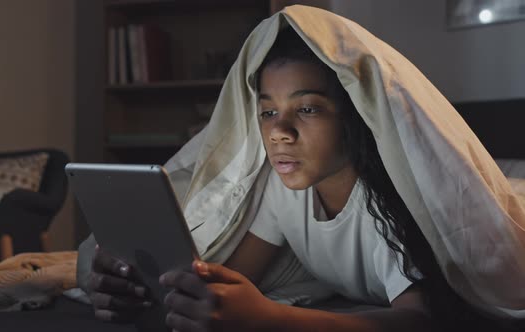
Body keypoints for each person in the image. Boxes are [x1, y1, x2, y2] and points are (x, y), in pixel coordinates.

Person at [78, 5, 525, 332]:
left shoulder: (389, 199)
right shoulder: (282, 185)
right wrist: (150, 291)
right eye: (268, 112)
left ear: (355, 114)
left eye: (307, 109)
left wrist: (271, 318)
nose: (280, 132)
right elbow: (234, 276)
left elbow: (420, 319)